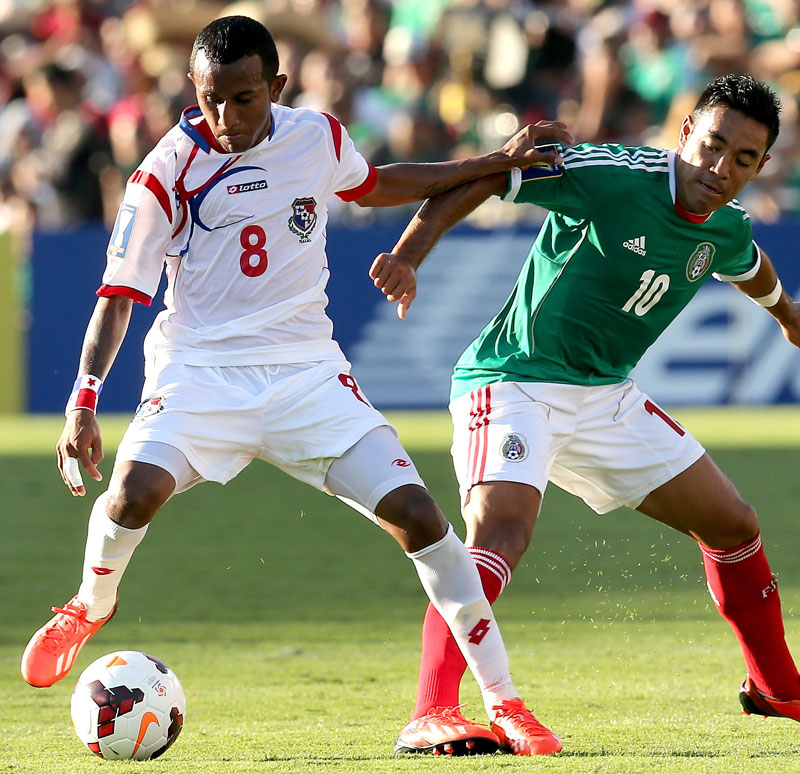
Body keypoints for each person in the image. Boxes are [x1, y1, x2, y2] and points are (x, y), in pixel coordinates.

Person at [20, 15, 576, 758]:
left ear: (276, 87)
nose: (226, 116)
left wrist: (491, 162)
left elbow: (376, 185)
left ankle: (504, 703)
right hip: (200, 373)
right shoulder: (163, 172)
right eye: (211, 99)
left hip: (307, 374)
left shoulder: (314, 136)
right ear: (193, 89)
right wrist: (83, 399)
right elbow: (118, 295)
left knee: (421, 518)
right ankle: (91, 603)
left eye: (244, 98)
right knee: (131, 494)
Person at [370, 73, 800, 755]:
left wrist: (787, 316)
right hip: (513, 381)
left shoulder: (725, 223)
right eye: (713, 145)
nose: (721, 168)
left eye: (742, 159)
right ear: (685, 131)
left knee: (734, 525)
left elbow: (749, 265)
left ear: (761, 166)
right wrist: (408, 255)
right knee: (500, 533)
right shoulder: (612, 176)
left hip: (606, 397)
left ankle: (778, 688)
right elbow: (489, 178)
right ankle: (433, 710)